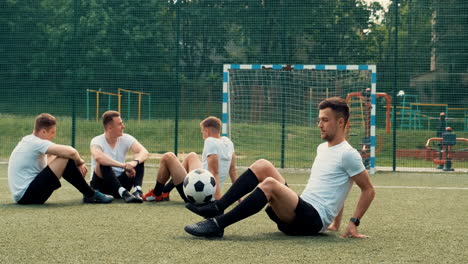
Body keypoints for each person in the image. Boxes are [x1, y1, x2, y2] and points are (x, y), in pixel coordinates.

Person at [184, 97, 375, 239]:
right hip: (301, 209)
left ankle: (217, 224)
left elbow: (368, 190)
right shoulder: (322, 148)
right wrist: (336, 222)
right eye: (319, 120)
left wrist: (353, 223)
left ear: (340, 122)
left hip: (311, 221)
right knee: (263, 165)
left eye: (325, 120)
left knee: (270, 184)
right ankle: (217, 207)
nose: (319, 125)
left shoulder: (348, 153)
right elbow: (336, 186)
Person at [8, 113, 113, 204]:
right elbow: (71, 151)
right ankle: (91, 194)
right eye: (52, 132)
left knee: (61, 156)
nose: (53, 135)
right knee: (65, 157)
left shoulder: (29, 140)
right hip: (28, 196)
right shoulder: (37, 143)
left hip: (24, 196)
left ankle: (90, 194)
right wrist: (80, 162)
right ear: (43, 131)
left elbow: (50, 161)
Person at [142, 116, 238, 202]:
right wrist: (239, 198)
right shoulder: (228, 142)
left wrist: (217, 201)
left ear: (207, 131)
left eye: (202, 131)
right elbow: (232, 170)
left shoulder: (210, 141)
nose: (202, 134)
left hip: (201, 195)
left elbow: (214, 171)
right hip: (206, 184)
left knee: (168, 156)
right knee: (191, 156)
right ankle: (165, 191)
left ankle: (157, 193)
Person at [90, 110, 149, 203]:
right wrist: (123, 166)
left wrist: (134, 163)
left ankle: (137, 191)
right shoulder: (96, 141)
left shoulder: (126, 138)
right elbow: (98, 157)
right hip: (101, 187)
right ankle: (124, 193)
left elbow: (144, 152)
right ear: (110, 128)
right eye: (120, 124)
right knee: (102, 162)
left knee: (139, 157)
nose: (123, 126)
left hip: (121, 183)